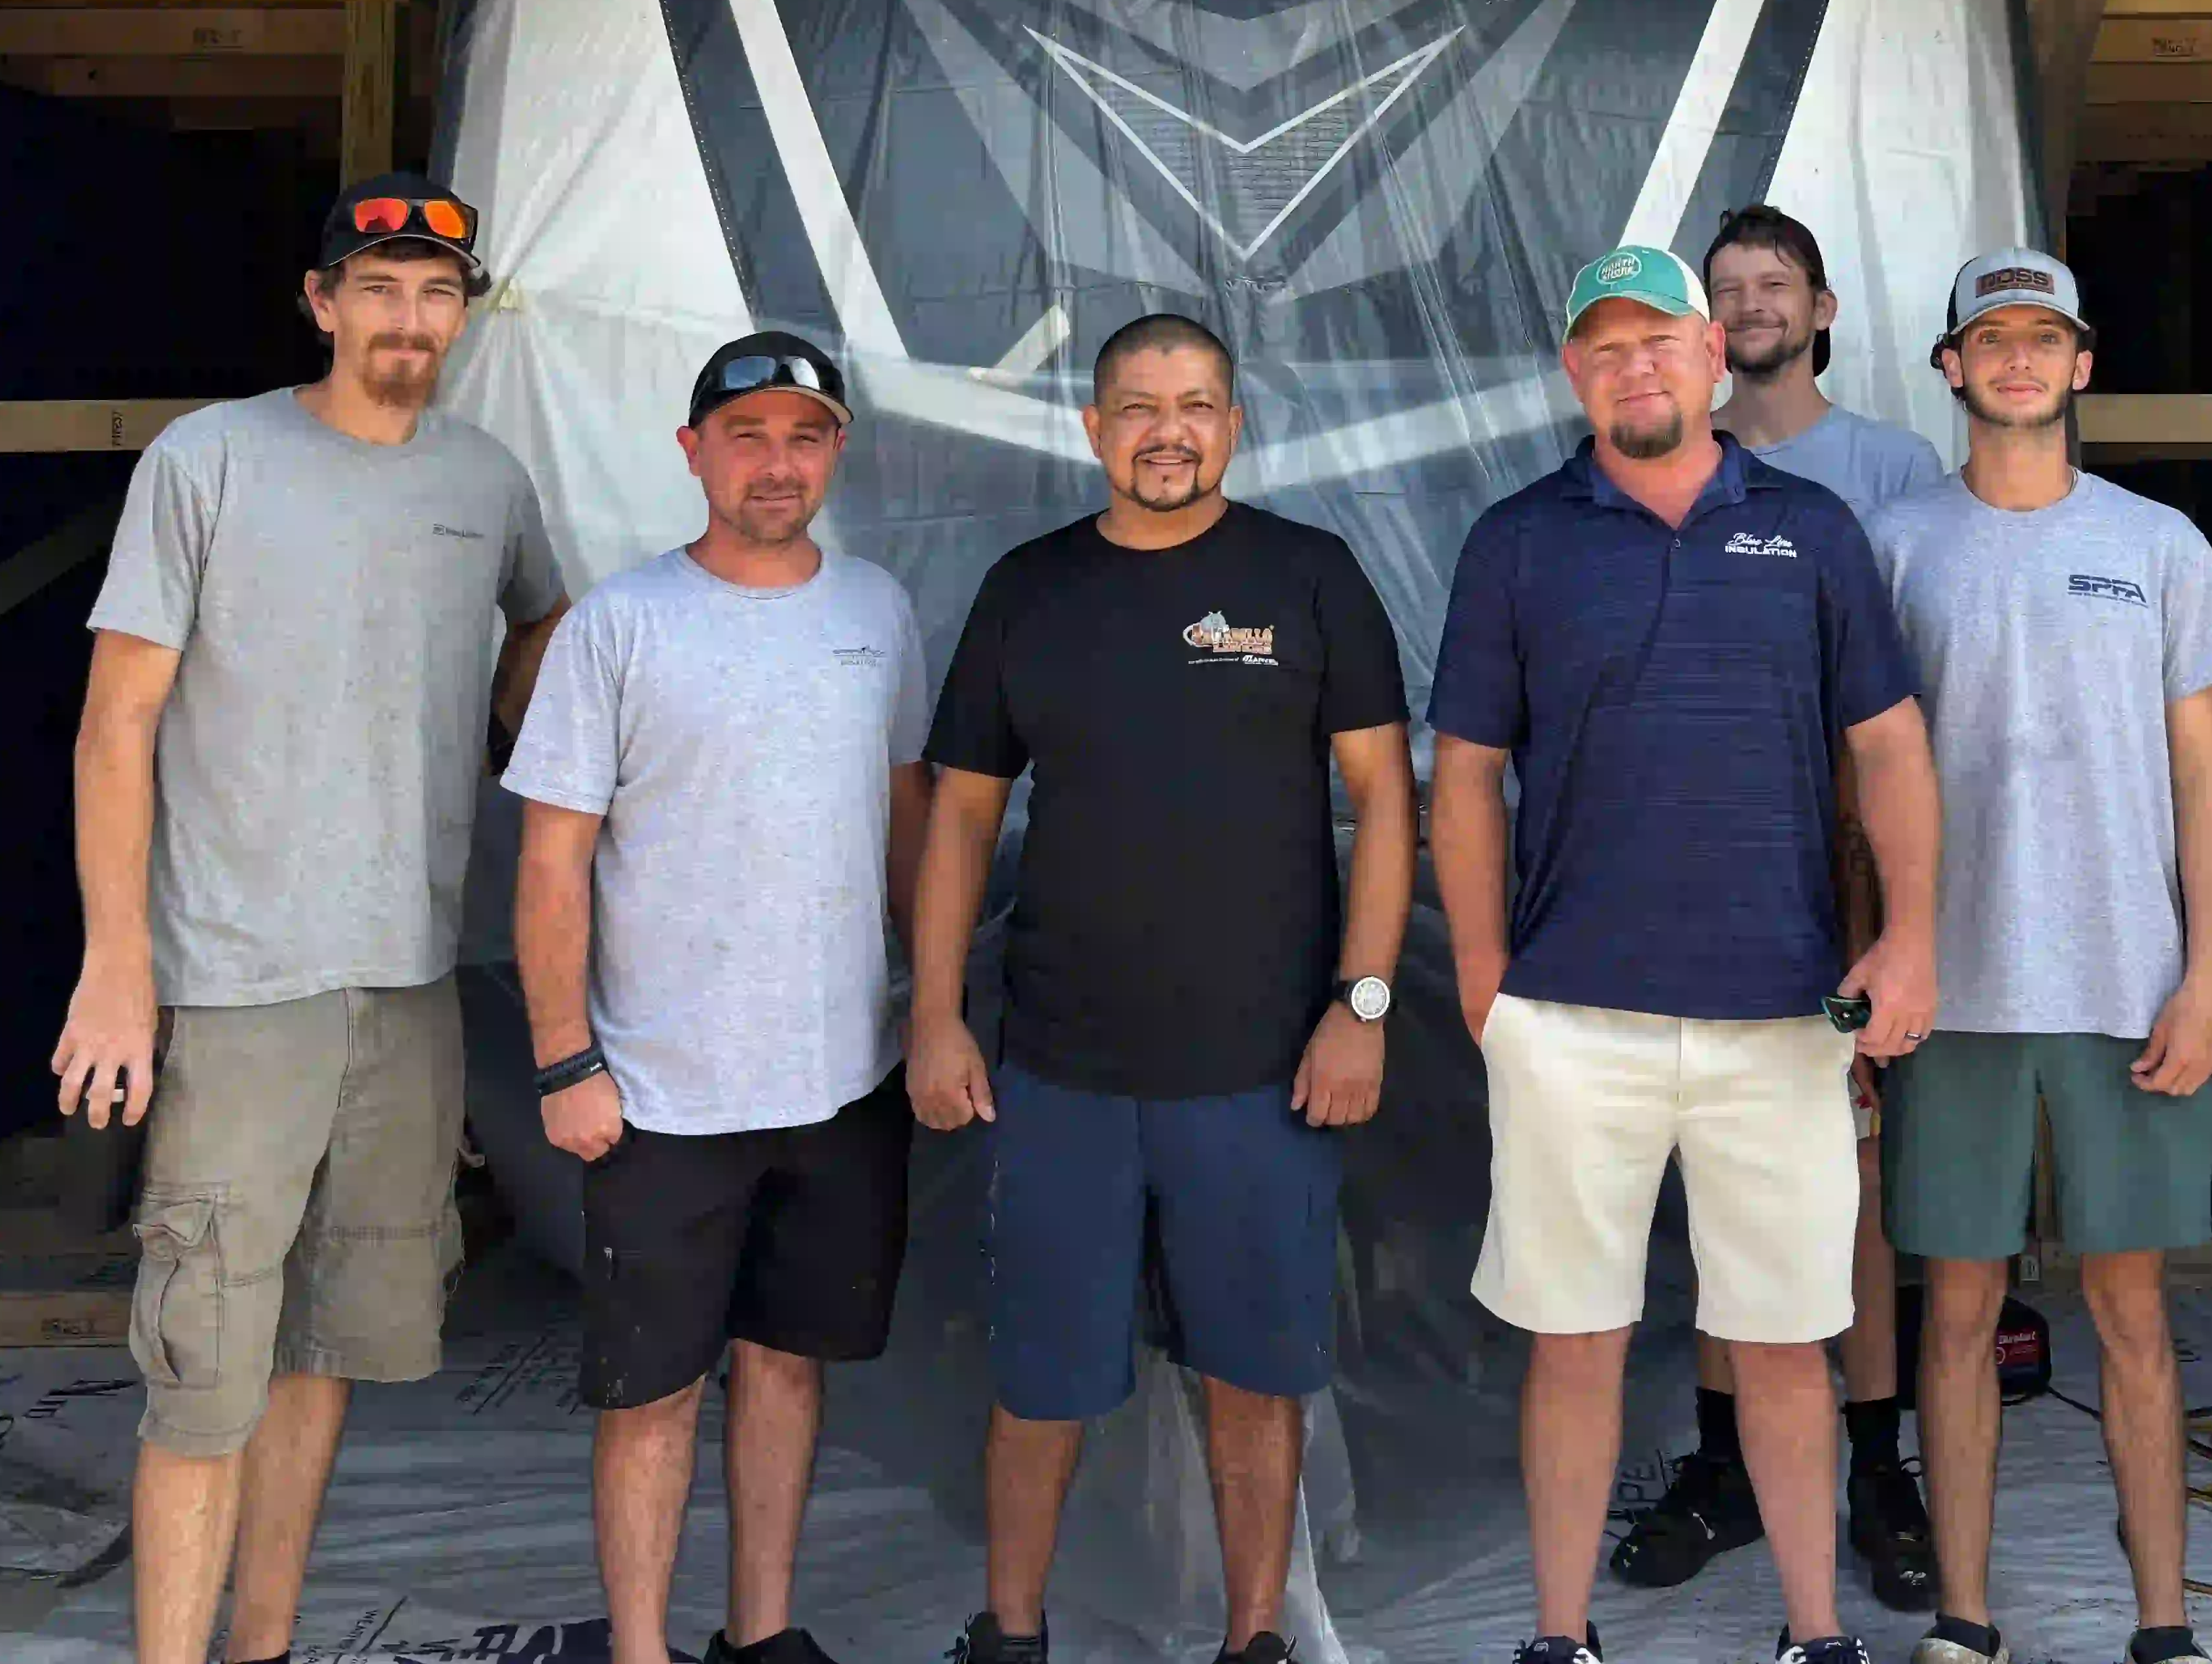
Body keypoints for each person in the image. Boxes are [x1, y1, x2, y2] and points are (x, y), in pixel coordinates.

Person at [53, 173, 567, 1664]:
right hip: (235, 981)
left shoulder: (485, 484)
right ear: (321, 299)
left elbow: (541, 618)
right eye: (381, 288)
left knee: (331, 1340)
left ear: (462, 316)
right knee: (206, 1359)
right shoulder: (210, 460)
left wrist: (505, 722)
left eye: (437, 295)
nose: (409, 320)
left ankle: (263, 1645)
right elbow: (114, 727)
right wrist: (115, 968)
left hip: (403, 986)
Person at [1431, 243, 1942, 1664]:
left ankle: (1815, 1634)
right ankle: (1558, 1637)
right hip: (1570, 1016)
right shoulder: (1519, 540)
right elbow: (1463, 772)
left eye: (1659, 339)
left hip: (1778, 1014)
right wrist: (1485, 982)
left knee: (1784, 1342)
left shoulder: (1816, 530)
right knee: (1574, 1337)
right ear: (1572, 374)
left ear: (1716, 355)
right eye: (1604, 347)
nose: (1633, 365)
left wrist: (1910, 939)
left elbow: (1888, 744)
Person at [910, 314, 1416, 1664]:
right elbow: (960, 812)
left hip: (1266, 1073)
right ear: (1092, 428)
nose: (1167, 431)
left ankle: (1254, 1641)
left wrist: (1359, 1006)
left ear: (1236, 425)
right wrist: (936, 1010)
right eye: (1138, 407)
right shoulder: (1028, 590)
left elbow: (1386, 797)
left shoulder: (1308, 577)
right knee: (1042, 1382)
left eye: (1195, 405)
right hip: (1063, 1066)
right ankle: (1010, 1634)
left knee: (1255, 1379)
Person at [504, 331, 934, 1664]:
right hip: (659, 1092)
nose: (776, 462)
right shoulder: (619, 625)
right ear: (692, 451)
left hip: (839, 1077)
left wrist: (928, 1007)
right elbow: (552, 859)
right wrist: (566, 1061)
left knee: (788, 1366)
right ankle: (641, 1647)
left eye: (804, 437)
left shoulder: (877, 610)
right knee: (651, 1394)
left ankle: (764, 1633)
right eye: (746, 435)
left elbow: (909, 816)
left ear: (837, 454)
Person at [1870, 253, 2212, 1664]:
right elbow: (1856, 777)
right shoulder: (1896, 547)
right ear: (1951, 368)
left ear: (2083, 365)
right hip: (1948, 993)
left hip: (2126, 987)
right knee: (1958, 1306)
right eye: (1993, 339)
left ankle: (2166, 1624)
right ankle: (1965, 1623)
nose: (2019, 359)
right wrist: (1867, 979)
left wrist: (2208, 975)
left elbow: (2209, 778)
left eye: (2045, 337)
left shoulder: (2159, 545)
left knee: (2132, 1309)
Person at [1621, 208, 1950, 1609]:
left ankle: (1876, 1465)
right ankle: (1725, 1465)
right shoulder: (1659, 462)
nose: (1753, 307)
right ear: (1702, 328)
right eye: (1731, 290)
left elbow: (1910, 707)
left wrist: (1900, 902)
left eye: (1776, 286)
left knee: (1853, 1183)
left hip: (1843, 863)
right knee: (1720, 1174)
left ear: (1819, 307)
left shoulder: (1888, 469)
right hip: (1709, 857)